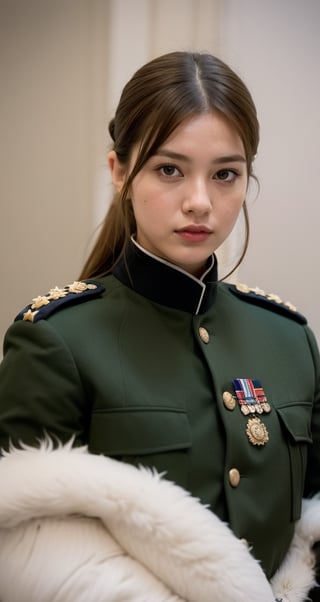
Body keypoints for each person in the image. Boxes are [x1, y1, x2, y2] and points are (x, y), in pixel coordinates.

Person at [0, 50, 319, 602]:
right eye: (169, 169)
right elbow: (26, 556)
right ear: (119, 171)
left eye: (226, 174)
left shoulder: (289, 339)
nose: (201, 202)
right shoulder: (56, 340)